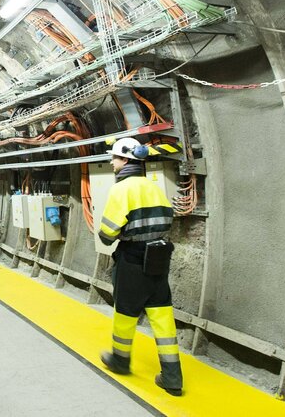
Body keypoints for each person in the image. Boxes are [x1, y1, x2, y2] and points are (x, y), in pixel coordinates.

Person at [97, 137, 183, 396]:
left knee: (125, 311)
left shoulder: (121, 189)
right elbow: (168, 218)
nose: (112, 162)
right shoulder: (154, 186)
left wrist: (114, 234)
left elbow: (107, 232)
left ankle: (121, 361)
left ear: (125, 160)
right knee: (162, 316)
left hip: (133, 259)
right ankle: (172, 377)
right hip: (159, 257)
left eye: (114, 158)